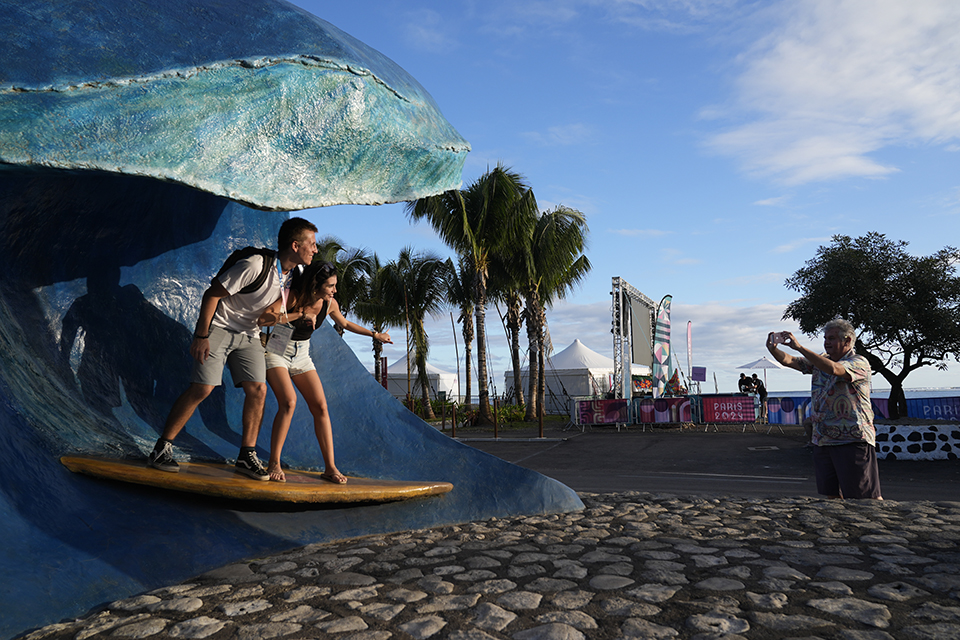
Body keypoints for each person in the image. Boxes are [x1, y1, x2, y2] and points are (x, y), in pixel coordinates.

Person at [147, 217, 319, 479]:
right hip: (219, 327)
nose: (315, 250)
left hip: (249, 334)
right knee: (202, 388)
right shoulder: (254, 265)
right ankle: (162, 448)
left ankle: (246, 455)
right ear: (295, 246)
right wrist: (201, 335)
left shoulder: (295, 275)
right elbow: (212, 294)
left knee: (258, 390)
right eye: (312, 244)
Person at [257, 261, 393, 483]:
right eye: (330, 285)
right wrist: (298, 315)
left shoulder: (329, 303)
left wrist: (374, 335)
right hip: (277, 350)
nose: (334, 290)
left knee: (320, 406)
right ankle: (274, 462)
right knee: (288, 402)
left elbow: (345, 323)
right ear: (315, 284)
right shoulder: (293, 296)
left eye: (335, 285)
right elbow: (263, 318)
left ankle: (330, 467)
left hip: (302, 355)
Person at [766, 319, 882, 499]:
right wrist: (773, 349)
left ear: (848, 341)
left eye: (832, 338)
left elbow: (836, 369)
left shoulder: (859, 362)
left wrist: (800, 347)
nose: (827, 342)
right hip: (823, 439)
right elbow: (789, 361)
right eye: (825, 338)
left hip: (851, 439)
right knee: (831, 496)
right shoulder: (820, 361)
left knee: (864, 497)